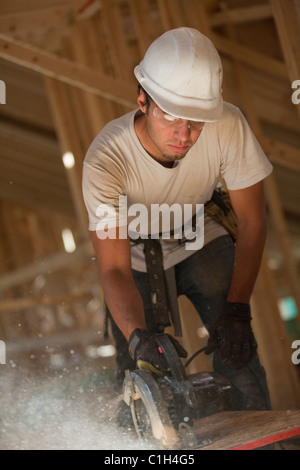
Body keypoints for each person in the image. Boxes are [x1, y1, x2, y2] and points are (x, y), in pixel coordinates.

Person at [82, 27, 273, 411]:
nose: (184, 134)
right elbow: (114, 269)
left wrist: (237, 310)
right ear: (143, 100)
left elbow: (252, 221)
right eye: (171, 117)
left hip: (200, 232)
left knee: (239, 356)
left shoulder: (229, 125)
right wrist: (138, 337)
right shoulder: (105, 160)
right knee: (139, 376)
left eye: (196, 121)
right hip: (134, 253)